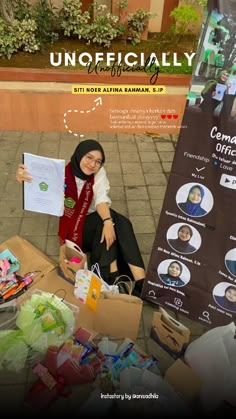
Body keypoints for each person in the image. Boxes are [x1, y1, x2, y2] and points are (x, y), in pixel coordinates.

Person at [16, 139, 145, 296]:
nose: (92, 165)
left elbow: (101, 200)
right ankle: (131, 281)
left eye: (98, 161)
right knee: (109, 221)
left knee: (114, 222)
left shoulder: (98, 173)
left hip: (91, 225)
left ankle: (124, 279)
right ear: (79, 155)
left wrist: (108, 222)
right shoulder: (60, 175)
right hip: (73, 233)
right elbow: (40, 187)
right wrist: (25, 178)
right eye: (89, 157)